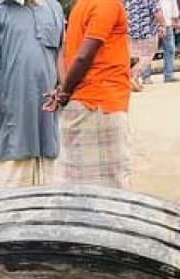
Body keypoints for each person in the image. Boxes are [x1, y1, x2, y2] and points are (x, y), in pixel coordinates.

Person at [0, 0, 64, 188]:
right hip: (12, 104)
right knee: (13, 169)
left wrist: (63, 87)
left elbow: (62, 51)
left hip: (47, 105)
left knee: (49, 174)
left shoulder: (54, 8)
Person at [43, 0, 131, 188]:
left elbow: (66, 52)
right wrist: (64, 92)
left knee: (75, 184)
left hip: (82, 104)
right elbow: (83, 56)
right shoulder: (107, 4)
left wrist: (64, 90)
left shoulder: (81, 6)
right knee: (112, 188)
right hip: (101, 105)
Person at [124, 0, 163, 89]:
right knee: (147, 55)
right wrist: (163, 25)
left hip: (131, 29)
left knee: (133, 55)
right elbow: (157, 12)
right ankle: (133, 75)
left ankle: (135, 80)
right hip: (147, 30)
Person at [156, 0, 180, 83]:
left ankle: (168, 75)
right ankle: (146, 77)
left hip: (166, 24)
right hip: (155, 25)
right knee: (150, 51)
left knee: (170, 49)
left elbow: (174, 10)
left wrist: (177, 21)